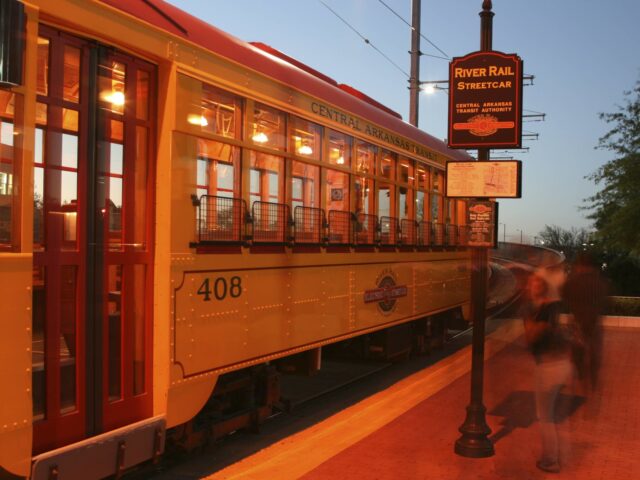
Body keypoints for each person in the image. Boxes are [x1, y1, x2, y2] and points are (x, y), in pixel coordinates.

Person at [521, 272, 573, 473]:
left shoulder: (543, 310)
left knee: (545, 417)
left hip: (549, 367)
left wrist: (528, 318)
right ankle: (560, 454)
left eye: (531, 284)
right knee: (553, 413)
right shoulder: (551, 307)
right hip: (560, 365)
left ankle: (551, 460)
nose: (528, 287)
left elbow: (532, 337)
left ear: (537, 288)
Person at [562, 252, 609, 392]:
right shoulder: (600, 282)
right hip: (594, 322)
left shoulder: (572, 282)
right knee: (594, 351)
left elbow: (564, 296)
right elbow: (605, 303)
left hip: (577, 322)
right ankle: (593, 378)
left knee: (577, 351)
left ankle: (581, 374)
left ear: (580, 265)